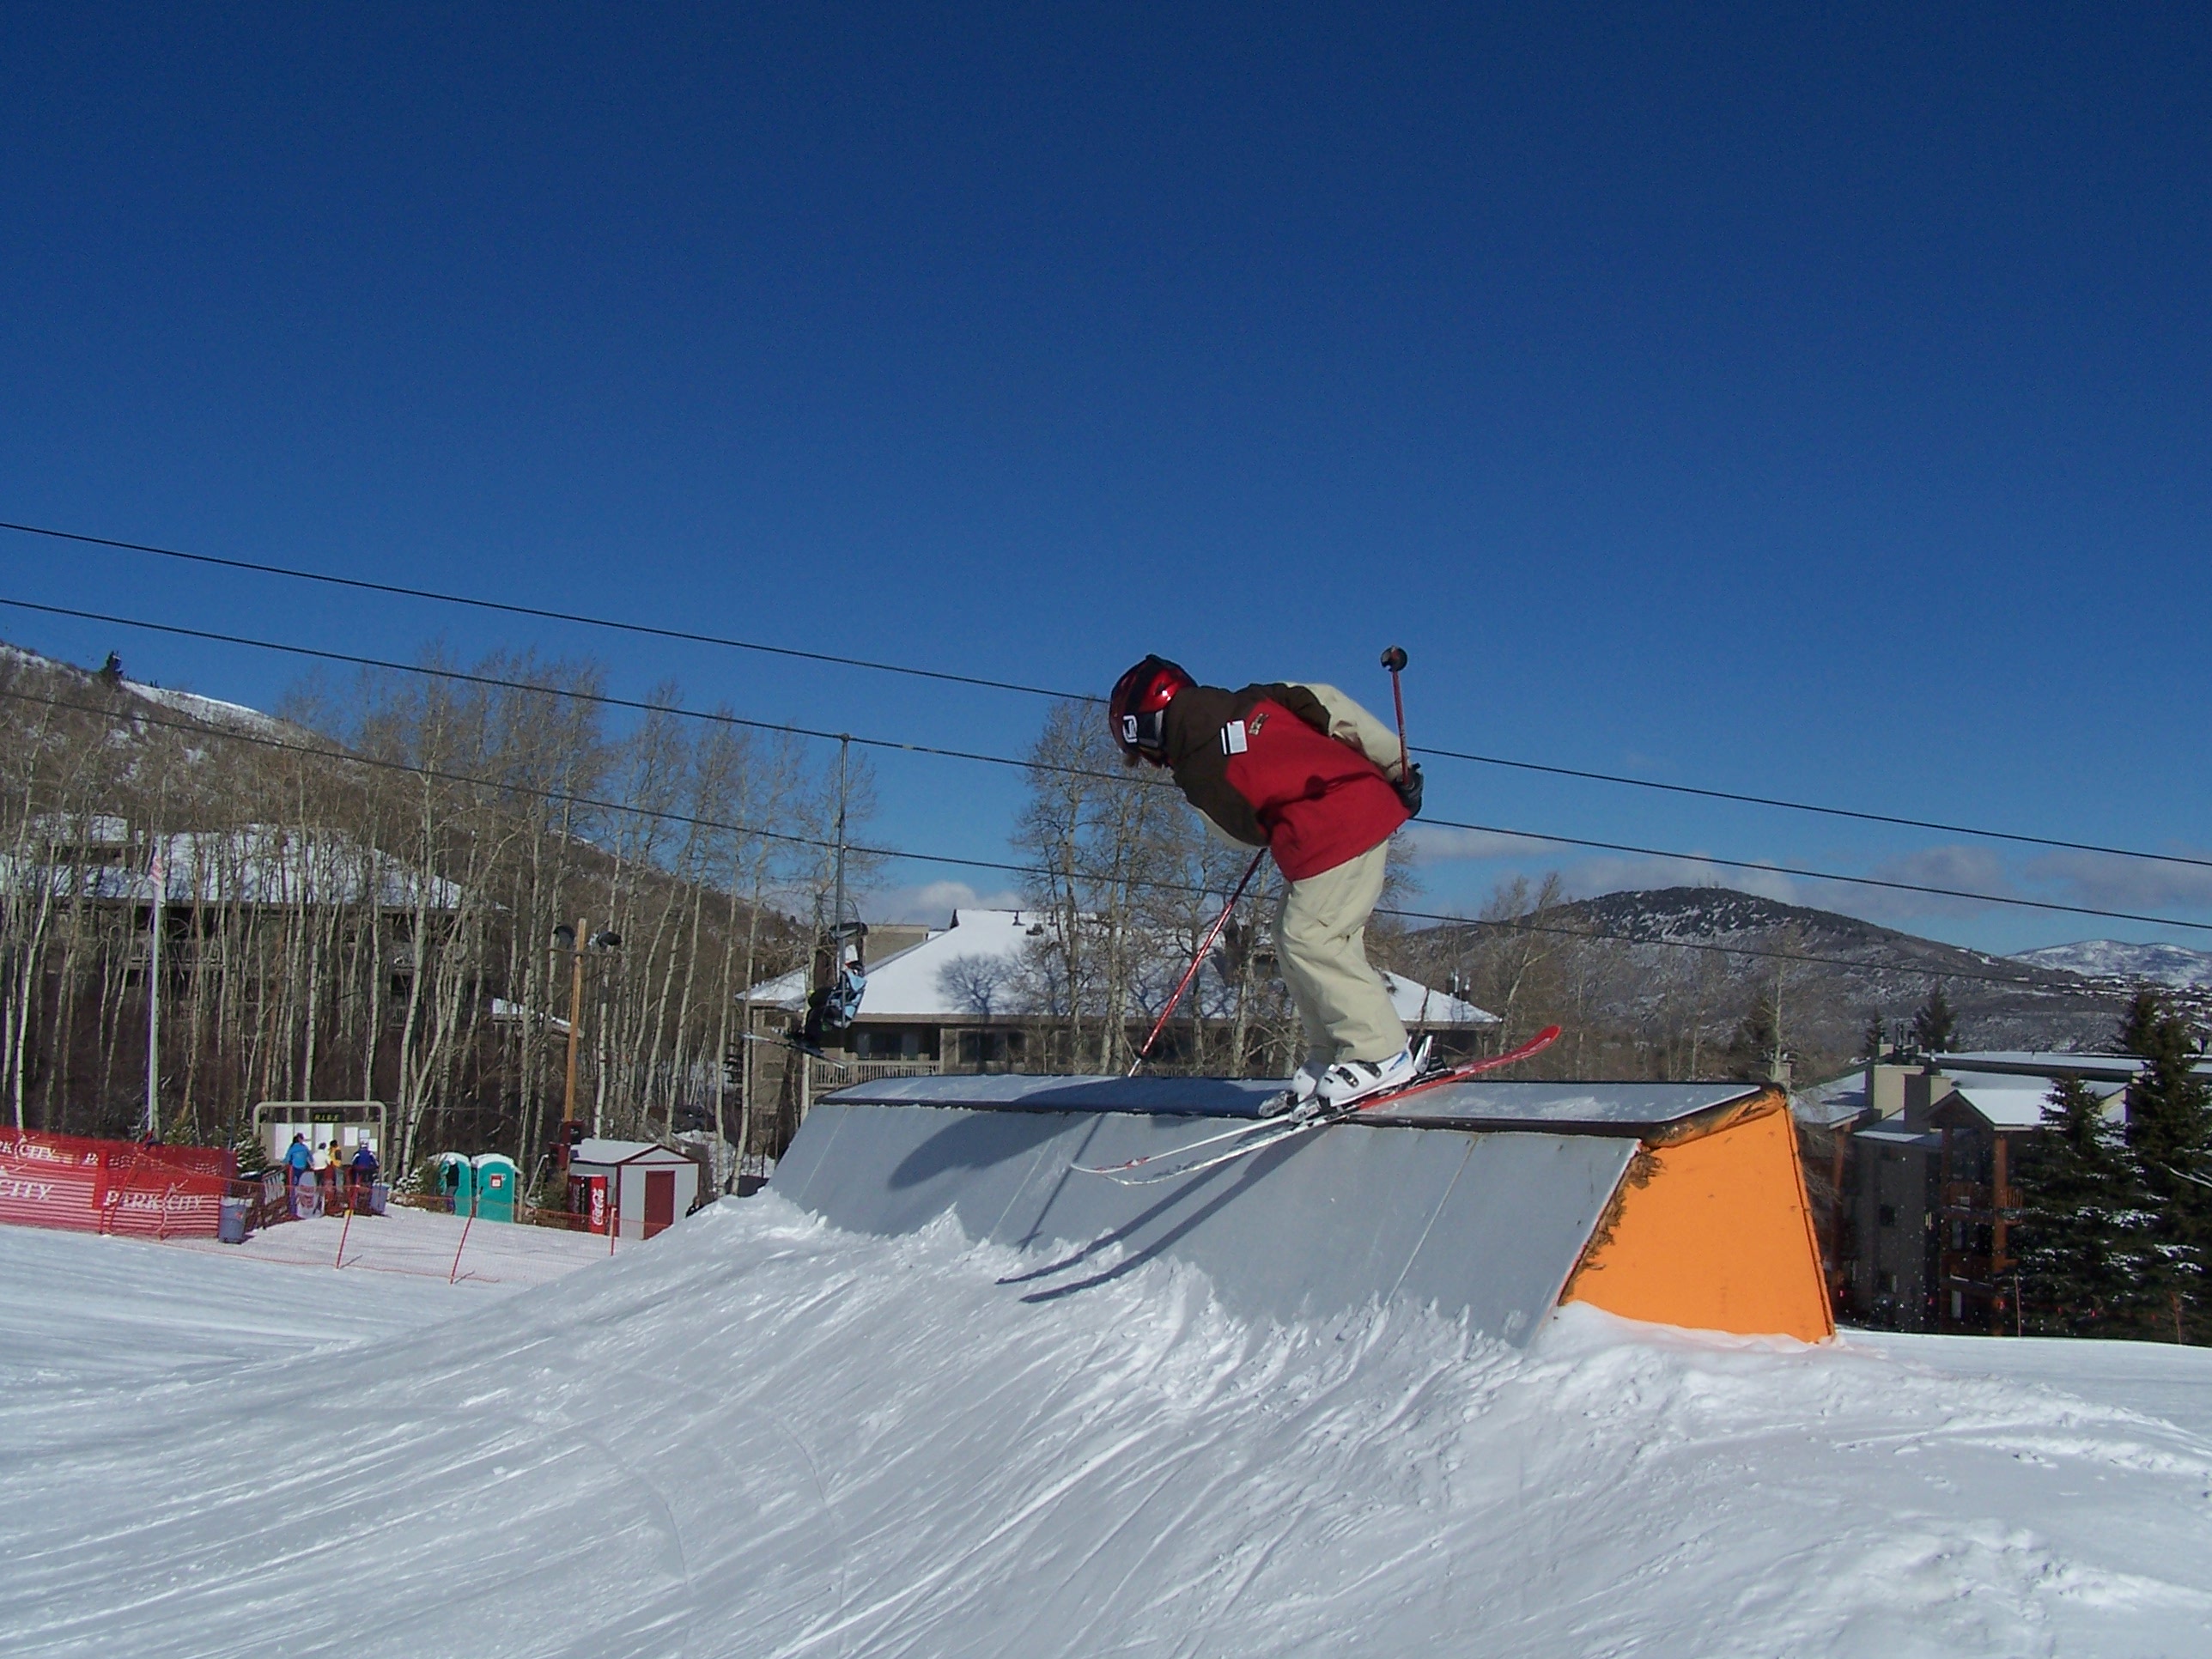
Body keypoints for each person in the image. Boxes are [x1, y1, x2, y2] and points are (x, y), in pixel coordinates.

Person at [1109, 655, 1425, 1113]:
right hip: (1352, 807)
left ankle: (1380, 1052)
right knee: (1293, 936)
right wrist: (1397, 766)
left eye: (1141, 754)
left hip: (1335, 829)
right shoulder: (1257, 697)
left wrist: (1263, 809)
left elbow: (1242, 834)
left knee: (1309, 937)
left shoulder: (1195, 770)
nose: (1151, 764)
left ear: (1147, 730)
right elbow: (1333, 707)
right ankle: (1332, 1052)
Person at [283, 1132, 313, 1218]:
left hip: (294, 1169)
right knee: (301, 1186)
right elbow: (310, 1157)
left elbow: (287, 1159)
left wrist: (284, 1162)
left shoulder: (292, 1148)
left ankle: (293, 1209)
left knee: (293, 1188)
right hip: (303, 1169)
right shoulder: (305, 1148)